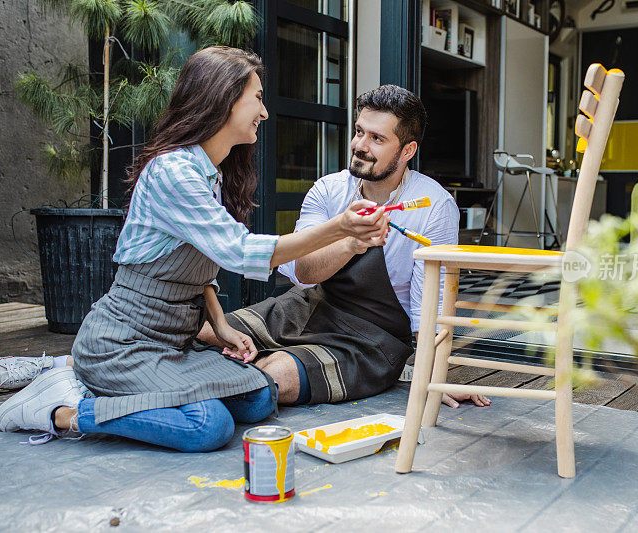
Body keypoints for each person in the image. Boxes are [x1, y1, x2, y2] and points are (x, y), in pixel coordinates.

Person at [0, 46, 388, 452]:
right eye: (257, 98)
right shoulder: (173, 173)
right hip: (123, 344)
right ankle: (61, 409)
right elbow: (239, 252)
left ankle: (129, 395)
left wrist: (221, 327)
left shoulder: (210, 174)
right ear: (223, 101)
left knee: (258, 398)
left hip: (172, 345)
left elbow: (203, 270)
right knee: (207, 426)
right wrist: (340, 227)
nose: (264, 112)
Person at [197, 85, 490, 410]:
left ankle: (199, 403)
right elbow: (305, 274)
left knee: (276, 372)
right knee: (206, 331)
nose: (360, 146)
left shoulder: (434, 206)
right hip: (309, 305)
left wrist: (434, 380)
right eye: (359, 132)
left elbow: (429, 308)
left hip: (371, 338)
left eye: (377, 139)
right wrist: (352, 241)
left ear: (407, 151)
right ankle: (174, 389)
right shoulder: (329, 190)